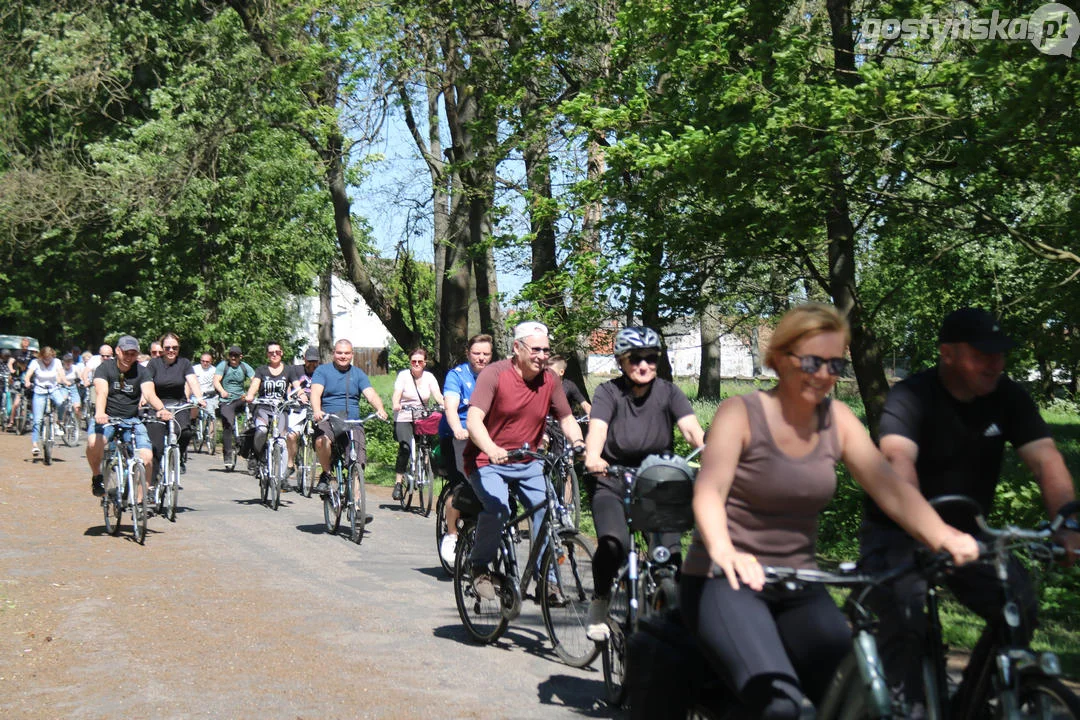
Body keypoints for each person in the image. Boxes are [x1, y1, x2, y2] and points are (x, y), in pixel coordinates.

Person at [679, 303, 979, 719]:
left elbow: (890, 488)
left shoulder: (836, 420)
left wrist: (944, 535)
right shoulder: (740, 414)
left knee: (854, 700)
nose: (824, 375)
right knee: (779, 706)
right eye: (812, 361)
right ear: (780, 358)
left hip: (800, 584)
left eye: (835, 364)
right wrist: (726, 550)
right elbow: (709, 493)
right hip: (727, 581)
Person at [859, 307, 1080, 714]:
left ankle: (971, 704)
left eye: (1000, 353)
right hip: (897, 531)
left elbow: (1047, 462)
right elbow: (897, 461)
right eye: (982, 354)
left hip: (968, 535)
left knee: (1018, 604)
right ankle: (909, 706)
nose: (995, 363)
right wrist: (928, 530)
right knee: (906, 620)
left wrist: (1068, 522)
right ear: (947, 354)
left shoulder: (1008, 396)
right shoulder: (911, 396)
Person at [582, 326, 705, 640]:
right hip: (611, 479)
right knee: (613, 543)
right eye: (635, 358)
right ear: (621, 361)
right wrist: (594, 456)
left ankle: (668, 614)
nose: (644, 365)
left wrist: (711, 451)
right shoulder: (608, 392)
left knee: (670, 554)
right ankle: (601, 600)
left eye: (651, 358)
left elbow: (692, 431)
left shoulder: (668, 391)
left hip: (658, 480)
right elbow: (597, 428)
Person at [463, 321, 586, 600]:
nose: (542, 355)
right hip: (487, 460)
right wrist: (492, 448)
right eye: (536, 349)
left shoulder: (550, 380)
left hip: (528, 461)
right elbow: (473, 420)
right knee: (498, 510)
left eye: (546, 349)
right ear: (517, 348)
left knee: (550, 512)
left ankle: (548, 580)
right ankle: (479, 567)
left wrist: (578, 443)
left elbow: (566, 418)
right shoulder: (494, 375)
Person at [86, 335, 172, 498]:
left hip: (132, 420)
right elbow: (101, 392)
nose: (129, 357)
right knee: (93, 443)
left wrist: (161, 409)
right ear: (118, 351)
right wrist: (100, 413)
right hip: (107, 418)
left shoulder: (142, 371)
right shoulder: (105, 368)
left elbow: (149, 393)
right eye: (126, 353)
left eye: (133, 354)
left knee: (146, 457)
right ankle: (97, 476)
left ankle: (141, 502)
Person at [437, 333, 494, 565]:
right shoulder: (457, 376)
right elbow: (450, 407)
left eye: (486, 354)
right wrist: (457, 429)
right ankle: (451, 534)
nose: (481, 358)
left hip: (484, 436)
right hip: (456, 436)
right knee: (460, 486)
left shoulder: (496, 376)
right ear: (468, 353)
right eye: (476, 353)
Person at [310, 339, 389, 495]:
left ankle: (357, 506)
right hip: (329, 418)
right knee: (321, 441)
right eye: (339, 353)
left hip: (352, 421)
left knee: (357, 461)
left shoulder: (358, 374)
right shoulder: (322, 371)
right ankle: (326, 474)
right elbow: (315, 393)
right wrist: (317, 410)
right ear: (334, 353)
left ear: (352, 354)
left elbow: (370, 394)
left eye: (346, 353)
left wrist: (380, 408)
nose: (343, 356)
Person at [146, 332, 205, 478]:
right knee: (156, 445)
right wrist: (143, 398)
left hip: (178, 404)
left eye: (175, 348)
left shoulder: (184, 363)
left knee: (185, 432)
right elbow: (146, 384)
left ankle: (178, 457)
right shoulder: (154, 363)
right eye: (167, 348)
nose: (171, 351)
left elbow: (192, 381)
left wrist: (199, 397)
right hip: (157, 404)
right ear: (162, 348)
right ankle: (153, 483)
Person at [243, 341, 301, 482]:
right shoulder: (261, 370)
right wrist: (250, 395)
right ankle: (258, 456)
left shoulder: (289, 370)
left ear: (282, 353)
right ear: (267, 355)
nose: (274, 354)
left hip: (281, 409)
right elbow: (255, 384)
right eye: (271, 352)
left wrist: (302, 396)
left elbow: (296, 387)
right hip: (264, 407)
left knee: (282, 440)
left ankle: (282, 477)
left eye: (277, 352)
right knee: (262, 430)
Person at [391, 347, 444, 501]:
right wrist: (396, 404)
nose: (416, 364)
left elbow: (438, 395)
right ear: (410, 362)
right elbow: (397, 393)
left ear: (424, 363)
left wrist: (446, 404)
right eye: (413, 361)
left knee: (428, 441)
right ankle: (399, 483)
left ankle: (425, 464)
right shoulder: (403, 376)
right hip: (404, 415)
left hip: (422, 416)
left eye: (420, 361)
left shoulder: (429, 377)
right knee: (405, 447)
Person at [24, 346, 71, 458]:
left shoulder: (57, 362)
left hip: (53, 389)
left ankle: (59, 422)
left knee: (61, 402)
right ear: (41, 356)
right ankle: (35, 445)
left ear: (52, 356)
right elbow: (28, 375)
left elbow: (61, 374)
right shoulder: (35, 362)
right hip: (39, 390)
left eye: (49, 358)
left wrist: (65, 381)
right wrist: (27, 381)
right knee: (38, 420)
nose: (47, 361)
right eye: (45, 358)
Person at [214, 345, 255, 467]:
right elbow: (216, 380)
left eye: (236, 355)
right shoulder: (223, 365)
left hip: (241, 398)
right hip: (227, 399)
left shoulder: (244, 366)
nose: (233, 358)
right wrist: (222, 391)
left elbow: (255, 379)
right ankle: (227, 455)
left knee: (256, 413)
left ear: (240, 357)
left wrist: (250, 393)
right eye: (231, 355)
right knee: (228, 424)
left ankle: (250, 450)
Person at [286, 346, 321, 475]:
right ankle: (291, 463)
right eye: (309, 361)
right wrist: (290, 398)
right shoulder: (295, 370)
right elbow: (289, 386)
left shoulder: (322, 371)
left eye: (315, 361)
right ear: (304, 359)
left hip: (315, 408)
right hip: (298, 406)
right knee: (291, 435)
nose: (312, 364)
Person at [60, 352, 84, 424]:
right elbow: (58, 379)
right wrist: (63, 382)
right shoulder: (61, 369)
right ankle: (62, 421)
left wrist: (80, 381)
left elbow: (80, 376)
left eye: (69, 362)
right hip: (64, 387)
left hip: (73, 387)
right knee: (63, 401)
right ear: (63, 362)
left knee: (77, 407)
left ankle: (78, 423)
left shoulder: (75, 368)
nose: (68, 363)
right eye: (66, 362)